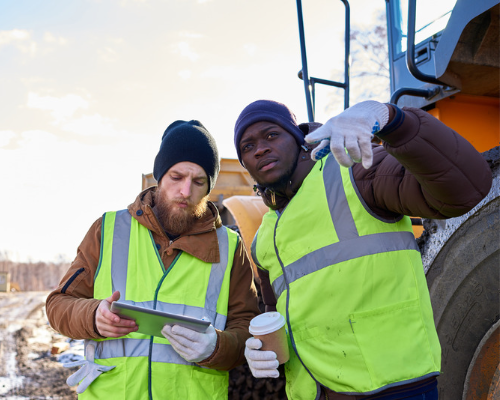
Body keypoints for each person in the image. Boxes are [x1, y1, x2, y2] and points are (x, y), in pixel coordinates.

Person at [233, 99, 492, 400]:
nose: (260, 149)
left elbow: (466, 189)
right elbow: (277, 313)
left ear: (299, 139)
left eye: (271, 135)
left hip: (393, 390)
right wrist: (261, 349)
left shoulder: (354, 173)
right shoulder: (263, 237)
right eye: (247, 147)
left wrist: (395, 120)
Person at [46, 120, 260, 399]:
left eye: (198, 181)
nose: (185, 191)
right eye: (176, 177)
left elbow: (246, 328)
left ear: (209, 188)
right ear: (160, 177)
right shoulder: (108, 230)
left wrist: (217, 347)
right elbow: (58, 306)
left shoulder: (230, 247)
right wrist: (93, 317)